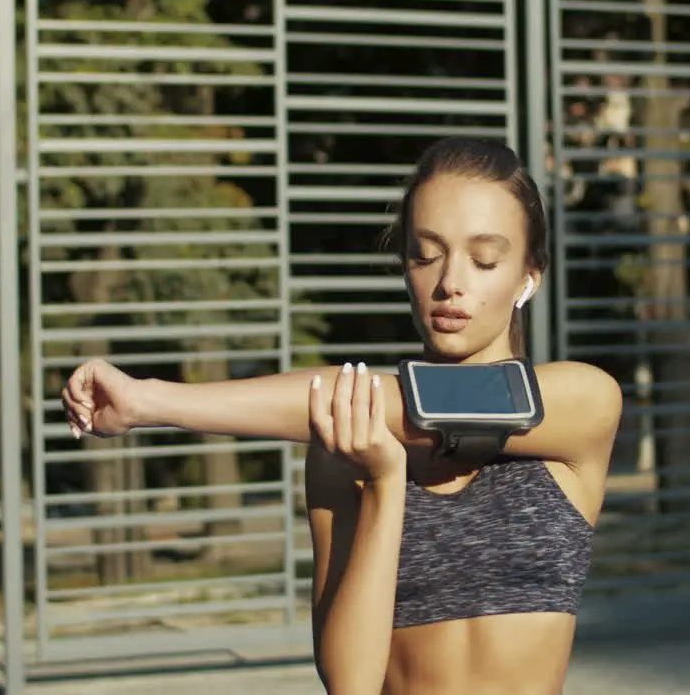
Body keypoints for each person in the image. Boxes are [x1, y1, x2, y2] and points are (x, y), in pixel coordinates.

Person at [62, 137, 623, 695]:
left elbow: (395, 403)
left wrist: (150, 401)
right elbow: (349, 682)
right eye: (426, 254)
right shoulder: (345, 443)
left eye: (483, 259)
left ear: (529, 275)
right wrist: (383, 485)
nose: (450, 282)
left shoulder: (583, 401)